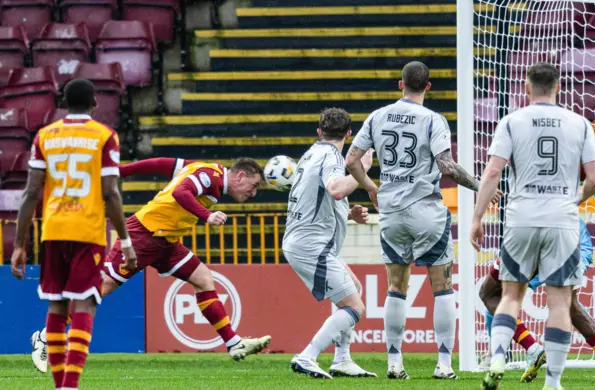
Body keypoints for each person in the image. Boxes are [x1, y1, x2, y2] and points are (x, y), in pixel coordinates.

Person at [30, 156, 271, 373]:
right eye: (255, 185)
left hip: (167, 243)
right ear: (240, 175)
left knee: (204, 279)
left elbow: (161, 164)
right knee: (97, 292)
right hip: (143, 236)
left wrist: (123, 171)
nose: (254, 193)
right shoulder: (210, 177)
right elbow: (181, 193)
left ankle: (233, 343)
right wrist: (207, 215)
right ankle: (44, 337)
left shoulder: (205, 169)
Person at [345, 61, 499, 380]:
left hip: (391, 212)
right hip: (426, 211)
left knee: (396, 288)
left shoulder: (378, 116)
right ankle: (443, 364)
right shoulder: (433, 120)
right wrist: (481, 185)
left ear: (399, 84)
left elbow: (351, 160)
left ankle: (393, 363)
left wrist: (371, 188)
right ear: (428, 87)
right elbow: (447, 167)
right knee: (442, 287)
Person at [471, 62, 595, 390]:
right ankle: (553, 382)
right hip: (562, 221)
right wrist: (575, 198)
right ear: (558, 88)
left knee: (510, 295)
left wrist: (476, 217)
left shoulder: (512, 122)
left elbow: (491, 173)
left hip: (521, 219)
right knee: (559, 302)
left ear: (527, 88)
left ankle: (499, 354)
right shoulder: (580, 123)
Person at [12, 78, 137, 390]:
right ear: (95, 103)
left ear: (63, 103)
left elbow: (30, 193)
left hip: (53, 229)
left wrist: (18, 245)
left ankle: (60, 386)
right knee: (85, 304)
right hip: (87, 229)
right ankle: (70, 386)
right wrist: (125, 239)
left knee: (56, 305)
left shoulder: (45, 136)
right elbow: (111, 193)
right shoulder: (105, 135)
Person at [479, 160, 595, 384]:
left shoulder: (520, 138)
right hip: (564, 234)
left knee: (492, 294)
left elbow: (493, 171)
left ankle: (526, 350)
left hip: (526, 231)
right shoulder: (569, 146)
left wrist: (477, 212)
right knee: (568, 305)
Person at [284, 107, 376, 379]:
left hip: (305, 240)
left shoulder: (310, 154)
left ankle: (342, 359)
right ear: (349, 133)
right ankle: (307, 355)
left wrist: (349, 214)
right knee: (355, 306)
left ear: (318, 131)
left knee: (354, 288)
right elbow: (336, 189)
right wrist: (364, 168)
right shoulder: (333, 157)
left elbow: (319, 198)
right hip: (311, 245)